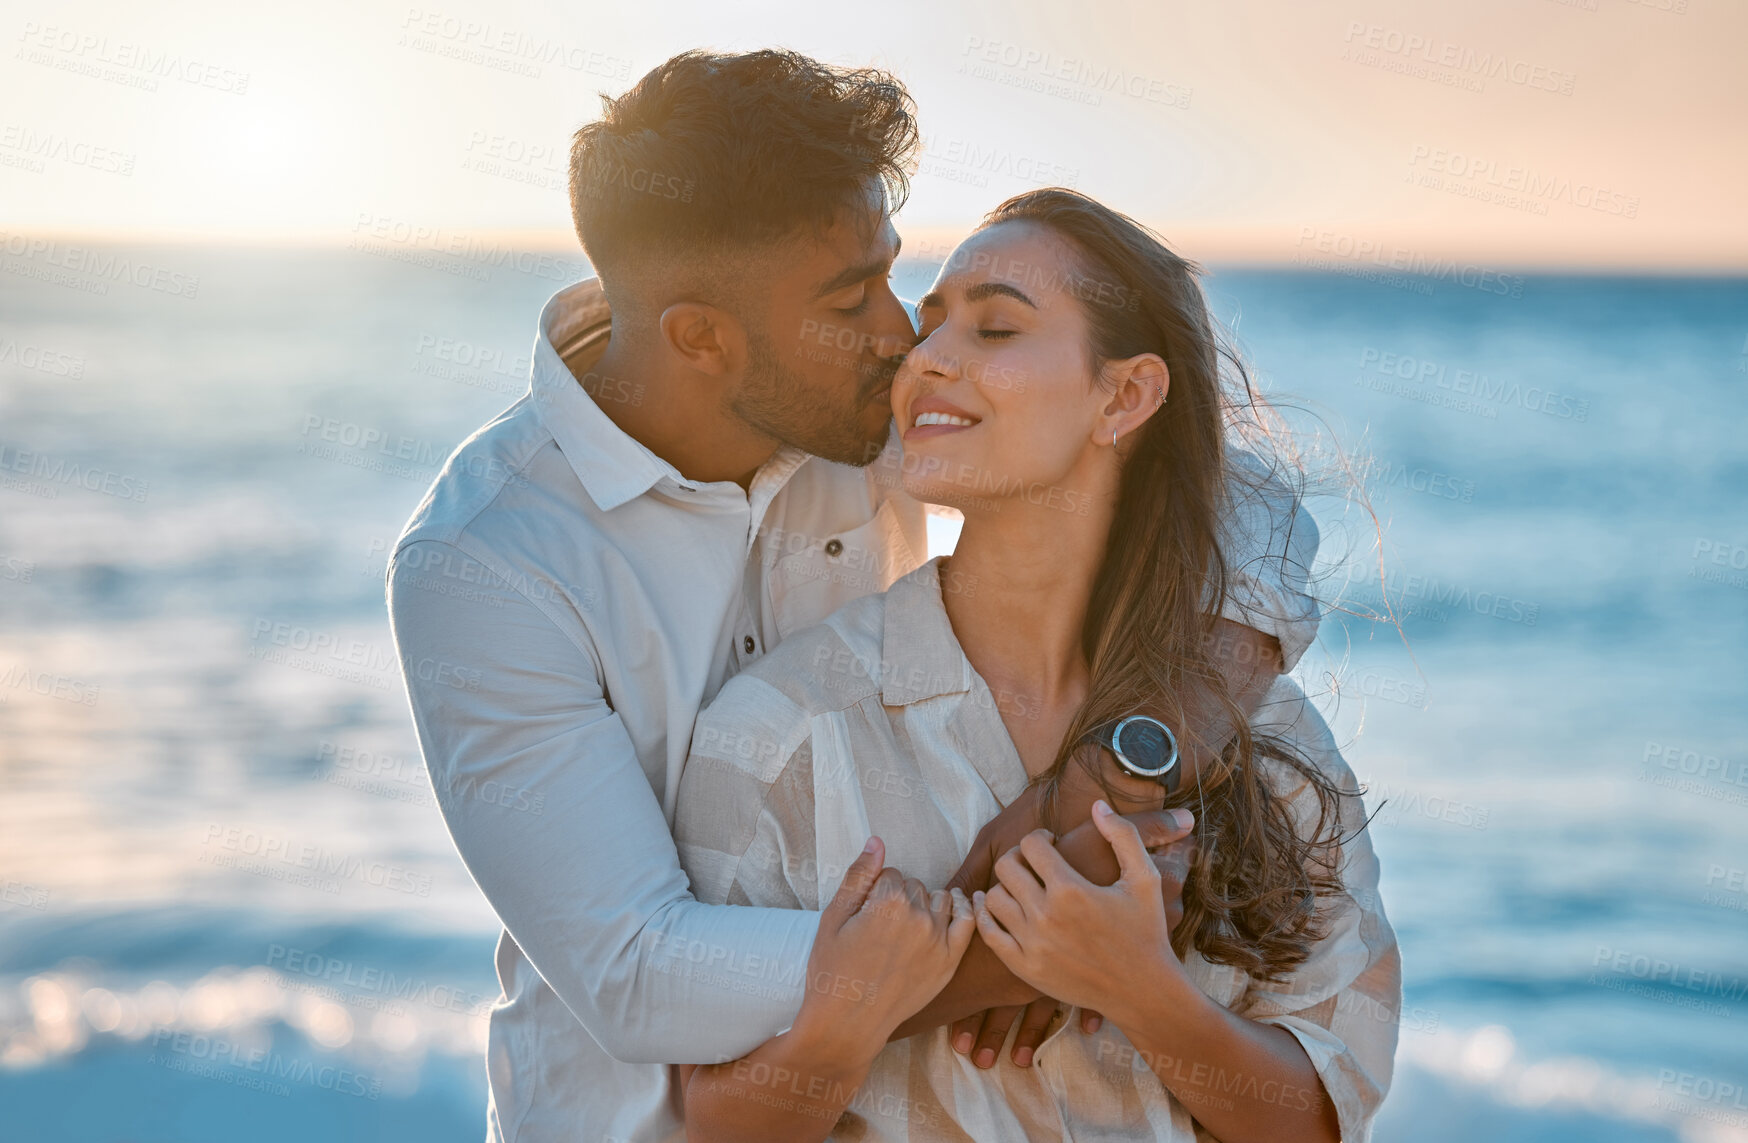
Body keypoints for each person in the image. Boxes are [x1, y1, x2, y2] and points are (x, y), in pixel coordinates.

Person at [387, 50, 1321, 1143]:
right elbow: (639, 970)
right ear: (699, 336)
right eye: (850, 299)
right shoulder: (486, 562)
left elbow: (1236, 502)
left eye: (887, 271)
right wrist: (1027, 935)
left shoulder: (853, 400)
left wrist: (1104, 776)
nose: (899, 334)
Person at [673, 189, 1399, 1142]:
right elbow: (707, 1121)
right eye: (928, 329)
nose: (925, 358)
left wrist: (1139, 988)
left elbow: (1321, 1115)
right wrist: (863, 1011)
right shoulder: (780, 731)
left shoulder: (1269, 736)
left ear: (1125, 396)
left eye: (997, 328)